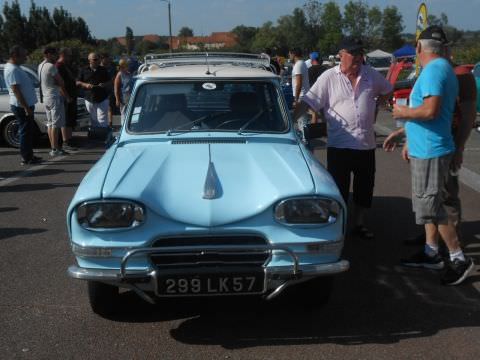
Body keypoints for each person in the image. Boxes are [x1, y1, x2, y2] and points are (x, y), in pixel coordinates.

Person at [384, 40, 477, 271]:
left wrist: (402, 111)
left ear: (418, 48)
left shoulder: (434, 70)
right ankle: (432, 250)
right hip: (428, 146)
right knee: (430, 204)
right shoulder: (442, 68)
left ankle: (457, 257)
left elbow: (430, 111)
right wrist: (405, 134)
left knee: (433, 206)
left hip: (431, 150)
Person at [294, 37, 393, 239]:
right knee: (338, 188)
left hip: (366, 144)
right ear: (341, 55)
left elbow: (387, 89)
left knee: (364, 188)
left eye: (360, 53)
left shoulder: (370, 74)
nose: (358, 57)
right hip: (339, 145)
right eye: (353, 53)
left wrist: (376, 105)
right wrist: (288, 121)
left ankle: (359, 224)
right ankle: (337, 226)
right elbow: (308, 101)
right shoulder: (329, 76)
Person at [4, 45, 41, 165]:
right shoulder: (12, 69)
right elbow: (16, 90)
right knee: (25, 131)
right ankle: (26, 157)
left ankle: (29, 155)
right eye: (23, 56)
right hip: (21, 106)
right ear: (15, 56)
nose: (25, 58)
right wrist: (25, 107)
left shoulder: (16, 67)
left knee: (28, 131)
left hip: (26, 105)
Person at [77, 52, 111, 128]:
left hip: (102, 97)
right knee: (93, 119)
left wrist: (104, 84)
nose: (97, 61)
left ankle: (103, 135)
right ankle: (96, 136)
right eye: (95, 59)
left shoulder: (103, 69)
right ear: (89, 60)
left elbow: (109, 81)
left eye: (98, 59)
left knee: (102, 119)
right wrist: (85, 85)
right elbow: (77, 82)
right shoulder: (83, 70)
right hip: (89, 98)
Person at [55, 47, 78, 150]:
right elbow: (60, 85)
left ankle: (70, 139)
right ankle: (65, 141)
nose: (70, 57)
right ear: (63, 55)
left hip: (72, 95)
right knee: (66, 119)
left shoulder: (66, 65)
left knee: (70, 119)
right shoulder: (59, 66)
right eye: (68, 55)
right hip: (66, 96)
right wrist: (67, 96)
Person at [114, 58, 133, 124]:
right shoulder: (119, 74)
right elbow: (116, 88)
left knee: (131, 112)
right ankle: (123, 126)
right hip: (123, 97)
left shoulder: (129, 74)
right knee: (124, 113)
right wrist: (117, 99)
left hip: (131, 96)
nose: (128, 67)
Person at [100, 53, 117, 127]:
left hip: (109, 90)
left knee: (110, 107)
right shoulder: (98, 68)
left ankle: (110, 124)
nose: (107, 60)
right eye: (105, 58)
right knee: (101, 108)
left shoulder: (112, 68)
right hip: (99, 90)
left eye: (107, 58)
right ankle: (102, 124)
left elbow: (114, 79)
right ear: (102, 59)